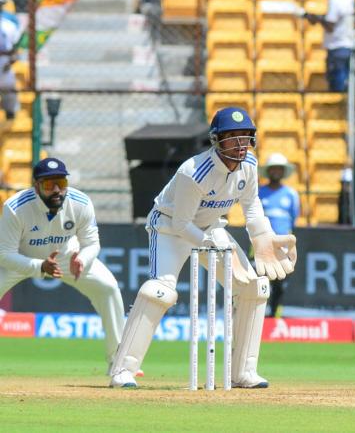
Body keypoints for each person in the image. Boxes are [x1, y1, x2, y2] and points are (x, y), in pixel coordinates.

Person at [109, 107, 297, 388]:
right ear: (216, 140)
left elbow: (252, 206)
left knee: (254, 287)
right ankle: (122, 371)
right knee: (160, 291)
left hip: (210, 227)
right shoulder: (193, 172)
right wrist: (210, 246)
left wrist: (263, 235)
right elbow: (183, 224)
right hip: (170, 227)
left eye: (244, 137)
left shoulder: (250, 165)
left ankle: (243, 372)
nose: (239, 144)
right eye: (231, 137)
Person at [0, 158, 126, 371]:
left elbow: (92, 244)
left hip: (69, 258)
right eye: (49, 185)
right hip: (22, 259)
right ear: (36, 186)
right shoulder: (14, 207)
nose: (57, 190)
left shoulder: (81, 202)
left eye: (62, 183)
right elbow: (5, 255)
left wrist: (83, 260)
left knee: (108, 288)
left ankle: (119, 363)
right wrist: (40, 266)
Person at [258, 153, 300, 318]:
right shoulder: (259, 192)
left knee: (280, 281)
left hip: (282, 245)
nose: (276, 172)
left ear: (283, 172)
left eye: (279, 169)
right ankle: (258, 314)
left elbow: (293, 218)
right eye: (273, 168)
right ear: (268, 171)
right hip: (261, 243)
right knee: (260, 279)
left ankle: (275, 313)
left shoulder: (291, 194)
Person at [304, 0, 355, 92]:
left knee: (337, 83)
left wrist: (317, 19)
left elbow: (330, 26)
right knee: (348, 81)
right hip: (349, 45)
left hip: (337, 46)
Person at [0, 0, 21, 120]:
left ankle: (10, 112)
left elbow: (14, 45)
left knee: (8, 86)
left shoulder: (9, 23)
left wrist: (12, 60)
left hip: (4, 59)